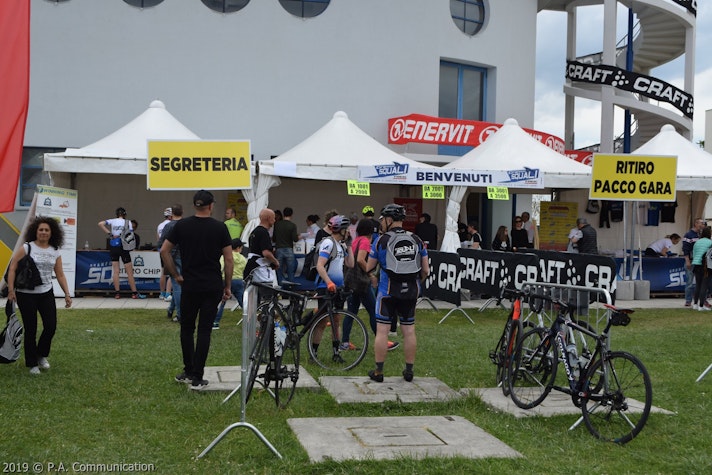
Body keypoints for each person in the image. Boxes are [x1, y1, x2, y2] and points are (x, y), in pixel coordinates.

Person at [161, 190, 233, 390]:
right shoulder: (220, 227)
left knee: (187, 328)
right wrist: (227, 285)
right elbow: (228, 259)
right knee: (204, 330)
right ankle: (198, 376)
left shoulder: (182, 225)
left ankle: (188, 370)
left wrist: (176, 275)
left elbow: (164, 250)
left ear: (195, 205)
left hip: (190, 284)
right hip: (212, 284)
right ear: (211, 206)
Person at [366, 204, 429, 383]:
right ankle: (409, 371)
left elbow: (369, 267)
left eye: (383, 219)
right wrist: (416, 282)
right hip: (411, 291)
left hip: (387, 291)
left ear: (389, 219)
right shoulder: (416, 239)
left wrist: (373, 274)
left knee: (382, 331)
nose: (381, 223)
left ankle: (379, 371)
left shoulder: (381, 240)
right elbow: (426, 270)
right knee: (409, 331)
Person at [6, 216, 72, 375]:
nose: (43, 232)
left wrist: (67, 294)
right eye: (41, 229)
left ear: (52, 232)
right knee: (31, 329)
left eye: (46, 230)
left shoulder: (55, 251)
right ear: (35, 231)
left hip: (46, 293)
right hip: (26, 295)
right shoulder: (27, 247)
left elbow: (60, 274)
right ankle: (32, 364)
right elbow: (13, 268)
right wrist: (11, 290)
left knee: (50, 326)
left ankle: (41, 355)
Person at [343, 219, 399, 351]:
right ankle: (382, 341)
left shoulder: (356, 240)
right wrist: (370, 274)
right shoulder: (365, 241)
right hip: (361, 282)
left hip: (351, 280)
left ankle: (344, 342)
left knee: (351, 312)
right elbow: (360, 259)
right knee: (374, 310)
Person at [309, 215, 353, 360]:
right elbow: (320, 265)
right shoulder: (328, 243)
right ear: (341, 230)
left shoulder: (341, 245)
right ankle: (314, 353)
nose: (348, 231)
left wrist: (350, 245)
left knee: (336, 320)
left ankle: (336, 353)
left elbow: (351, 264)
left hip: (338, 287)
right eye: (347, 229)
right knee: (322, 322)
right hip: (325, 286)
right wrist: (328, 282)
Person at [98, 207, 146, 299]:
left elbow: (100, 224)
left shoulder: (112, 221)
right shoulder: (128, 222)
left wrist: (110, 234)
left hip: (114, 246)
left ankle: (117, 293)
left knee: (116, 271)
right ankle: (134, 293)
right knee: (129, 272)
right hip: (124, 247)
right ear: (124, 214)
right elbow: (130, 235)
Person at [214, 238, 247, 329]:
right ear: (238, 248)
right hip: (238, 281)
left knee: (222, 302)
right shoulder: (243, 258)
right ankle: (250, 319)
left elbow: (221, 267)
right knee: (243, 302)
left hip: (226, 280)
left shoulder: (225, 256)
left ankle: (216, 321)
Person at [159, 204, 184, 322]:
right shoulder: (186, 225)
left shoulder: (168, 226)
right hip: (185, 256)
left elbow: (161, 242)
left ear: (172, 213)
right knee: (178, 284)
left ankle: (180, 314)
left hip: (171, 257)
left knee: (177, 285)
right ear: (182, 212)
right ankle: (171, 309)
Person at [244, 208, 279, 283]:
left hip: (252, 266)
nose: (274, 221)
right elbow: (266, 253)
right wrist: (275, 262)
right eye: (273, 218)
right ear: (269, 218)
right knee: (266, 286)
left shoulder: (254, 232)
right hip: (260, 267)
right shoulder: (264, 232)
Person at [683, 218, 706, 307]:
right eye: (701, 223)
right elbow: (685, 249)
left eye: (703, 224)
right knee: (689, 281)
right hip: (692, 260)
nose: (702, 225)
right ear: (696, 224)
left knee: (701, 281)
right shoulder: (689, 235)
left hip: (700, 262)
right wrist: (687, 261)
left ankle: (702, 300)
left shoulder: (701, 235)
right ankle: (688, 300)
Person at [273, 206, 299, 284]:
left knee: (279, 270)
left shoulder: (277, 224)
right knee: (290, 270)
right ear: (291, 215)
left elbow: (274, 238)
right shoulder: (292, 225)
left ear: (283, 214)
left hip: (279, 249)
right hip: (289, 249)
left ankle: (279, 287)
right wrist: (299, 237)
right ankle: (291, 287)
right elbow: (295, 239)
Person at [691, 226, 712, 311]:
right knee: (704, 285)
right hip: (706, 266)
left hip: (696, 264)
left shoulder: (697, 242)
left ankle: (695, 304)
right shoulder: (710, 242)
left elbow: (694, 253)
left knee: (698, 285)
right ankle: (701, 305)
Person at [156, 207, 173, 301]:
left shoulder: (160, 225)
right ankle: (168, 294)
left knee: (163, 272)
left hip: (161, 250)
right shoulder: (171, 225)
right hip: (170, 250)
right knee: (171, 272)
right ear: (170, 216)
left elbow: (158, 239)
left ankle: (162, 293)